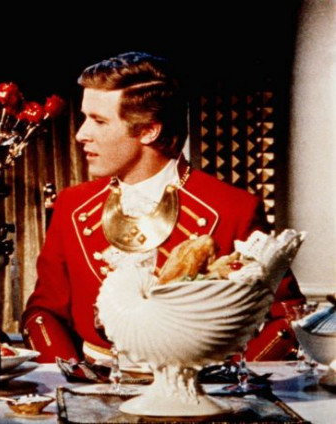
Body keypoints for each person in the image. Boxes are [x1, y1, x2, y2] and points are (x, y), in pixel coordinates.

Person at [21, 52, 304, 363]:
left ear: (148, 131)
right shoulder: (72, 205)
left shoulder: (233, 208)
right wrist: (69, 374)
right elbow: (43, 313)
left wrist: (230, 379)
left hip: (199, 387)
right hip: (91, 383)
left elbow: (288, 317)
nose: (81, 134)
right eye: (85, 117)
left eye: (99, 121)